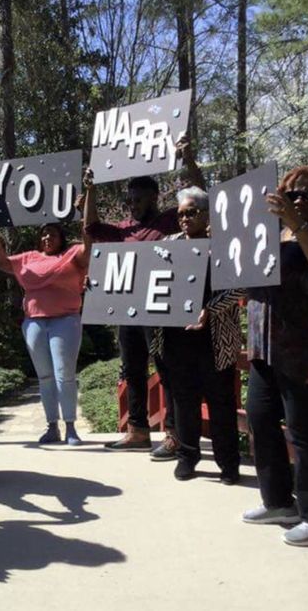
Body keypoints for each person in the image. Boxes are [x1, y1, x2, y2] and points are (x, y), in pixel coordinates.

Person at [242, 166, 308, 546]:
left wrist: (294, 223)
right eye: (288, 193)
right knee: (260, 418)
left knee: (304, 432)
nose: (294, 200)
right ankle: (278, 502)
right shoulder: (270, 234)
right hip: (265, 348)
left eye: (303, 194)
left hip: (304, 353)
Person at [83, 138, 205, 458]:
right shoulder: (122, 229)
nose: (134, 204)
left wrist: (187, 158)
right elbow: (91, 226)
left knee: (167, 370)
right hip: (128, 310)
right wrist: (92, 189)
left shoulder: (167, 220)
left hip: (161, 309)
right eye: (130, 199)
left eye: (139, 198)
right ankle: (137, 431)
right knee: (132, 369)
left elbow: (201, 195)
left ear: (154, 197)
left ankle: (175, 434)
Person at [152, 187, 242, 483]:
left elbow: (242, 286)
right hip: (177, 339)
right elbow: (144, 278)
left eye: (191, 212)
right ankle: (187, 457)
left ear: (206, 214)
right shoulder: (167, 245)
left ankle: (228, 464)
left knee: (222, 404)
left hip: (215, 338)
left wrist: (211, 310)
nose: (184, 219)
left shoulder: (226, 245)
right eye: (180, 214)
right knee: (184, 402)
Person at [0, 223, 90, 445]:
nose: (47, 237)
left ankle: (71, 427)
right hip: (34, 322)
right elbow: (2, 262)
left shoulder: (71, 254)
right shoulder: (29, 257)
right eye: (43, 234)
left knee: (64, 375)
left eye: (53, 234)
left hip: (65, 320)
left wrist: (85, 215)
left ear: (61, 238)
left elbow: (89, 246)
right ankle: (51, 426)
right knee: (44, 376)